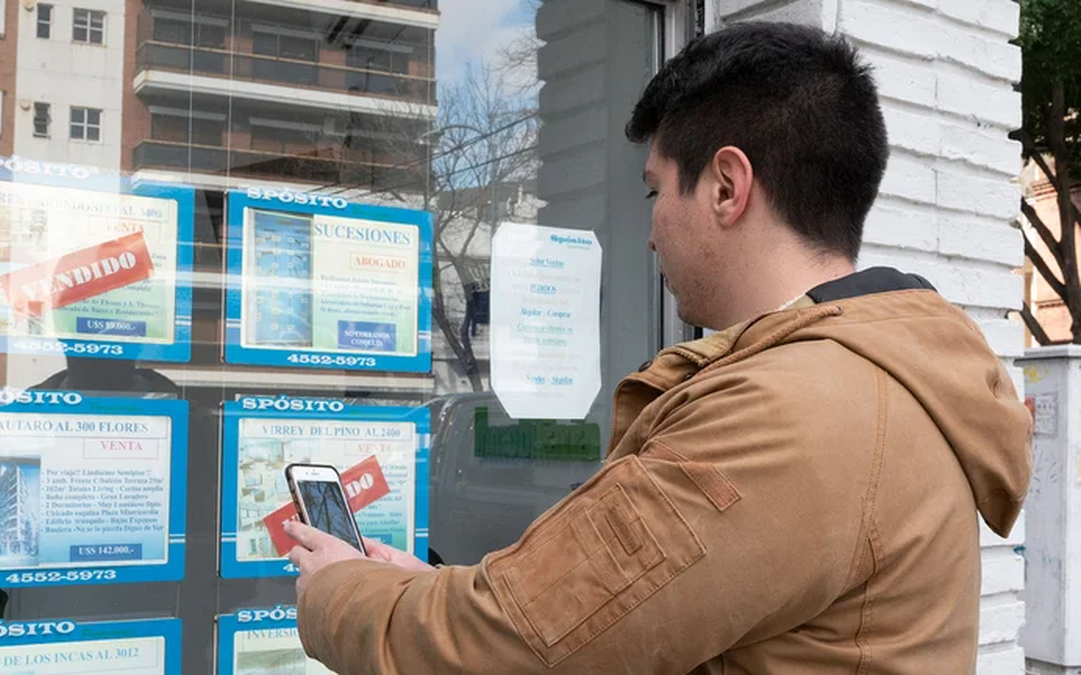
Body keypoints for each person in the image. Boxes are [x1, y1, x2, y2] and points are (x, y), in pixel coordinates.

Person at [285, 22, 1032, 673]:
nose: (649, 233)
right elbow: (616, 618)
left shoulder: (789, 412)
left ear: (726, 187)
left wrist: (339, 592)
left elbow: (520, 648)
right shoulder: (872, 377)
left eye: (656, 192)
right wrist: (428, 592)